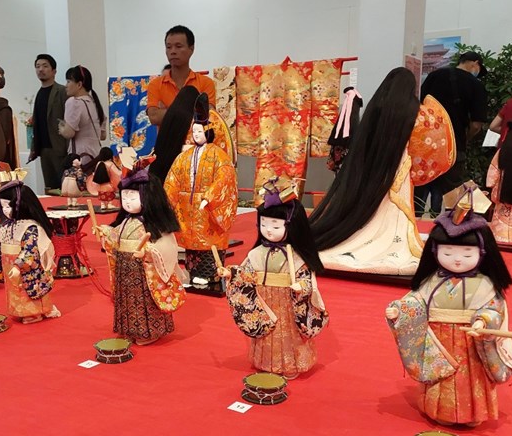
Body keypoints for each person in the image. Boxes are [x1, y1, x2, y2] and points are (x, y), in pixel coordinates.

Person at [309, 67, 455, 275]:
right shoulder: (415, 110)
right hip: (399, 164)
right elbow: (430, 139)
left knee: (369, 205)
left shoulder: (376, 105)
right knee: (393, 206)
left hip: (372, 165)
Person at [385, 202, 512, 427]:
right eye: (447, 253)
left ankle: (473, 414)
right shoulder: (431, 281)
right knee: (441, 376)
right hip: (438, 343)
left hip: (471, 343)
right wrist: (401, 310)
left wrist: (483, 321)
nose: (457, 260)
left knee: (471, 378)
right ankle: (440, 411)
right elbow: (416, 301)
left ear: (482, 253)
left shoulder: (485, 284)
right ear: (435, 252)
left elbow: (494, 308)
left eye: (467, 254)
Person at [221, 176, 328, 379]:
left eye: (276, 226)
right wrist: (232, 273)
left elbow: (308, 280)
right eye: (264, 225)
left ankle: (290, 365)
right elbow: (249, 274)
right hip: (264, 300)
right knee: (266, 333)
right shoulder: (257, 253)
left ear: (291, 227)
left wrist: (301, 288)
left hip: (288, 302)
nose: (268, 230)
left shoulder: (296, 256)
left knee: (287, 334)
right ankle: (265, 363)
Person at [97, 161, 185, 346]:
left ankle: (149, 332)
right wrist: (106, 232)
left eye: (133, 197)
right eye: (125, 197)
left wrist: (148, 252)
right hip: (125, 268)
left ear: (148, 198)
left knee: (144, 301)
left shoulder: (155, 225)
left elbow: (166, 247)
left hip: (143, 271)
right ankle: (129, 329)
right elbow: (116, 237)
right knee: (126, 301)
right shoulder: (126, 222)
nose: (127, 201)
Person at [163, 91, 238, 292]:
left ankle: (210, 274)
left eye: (200, 131)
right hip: (188, 207)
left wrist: (209, 197)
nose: (196, 135)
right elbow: (173, 178)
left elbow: (224, 177)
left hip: (207, 208)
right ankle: (193, 271)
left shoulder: (218, 155)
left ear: (209, 132)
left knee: (208, 243)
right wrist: (167, 199)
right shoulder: (184, 156)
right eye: (194, 131)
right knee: (191, 244)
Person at [415, 51, 488, 215]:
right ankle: (452, 223)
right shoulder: (476, 85)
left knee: (419, 189)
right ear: (475, 63)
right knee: (454, 190)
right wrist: (465, 139)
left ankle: (415, 221)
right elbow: (476, 124)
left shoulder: (434, 76)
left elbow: (419, 106)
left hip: (426, 144)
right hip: (454, 145)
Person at [0, 179, 60, 324]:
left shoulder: (30, 227)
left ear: (20, 205)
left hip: (23, 266)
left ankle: (35, 312)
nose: (5, 210)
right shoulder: (7, 225)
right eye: (3, 206)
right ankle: (19, 311)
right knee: (14, 289)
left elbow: (30, 250)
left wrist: (19, 265)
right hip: (9, 264)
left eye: (8, 206)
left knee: (26, 288)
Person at [145, 25, 216, 127]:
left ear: (191, 49)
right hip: (167, 138)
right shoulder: (155, 84)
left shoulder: (205, 83)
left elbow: (207, 116)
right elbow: (154, 117)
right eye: (169, 47)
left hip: (197, 137)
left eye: (178, 46)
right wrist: (193, 110)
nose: (173, 51)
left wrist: (166, 111)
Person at [29, 54, 68, 191]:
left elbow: (68, 119)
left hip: (60, 147)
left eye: (45, 66)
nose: (41, 69)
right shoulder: (39, 93)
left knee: (65, 187)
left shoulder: (62, 91)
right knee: (50, 188)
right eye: (38, 66)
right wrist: (34, 148)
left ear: (54, 71)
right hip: (44, 149)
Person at [58, 65, 106, 164]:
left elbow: (69, 133)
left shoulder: (74, 102)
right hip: (96, 156)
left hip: (80, 157)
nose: (66, 85)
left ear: (79, 84)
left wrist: (61, 128)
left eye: (68, 81)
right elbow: (102, 136)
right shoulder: (95, 103)